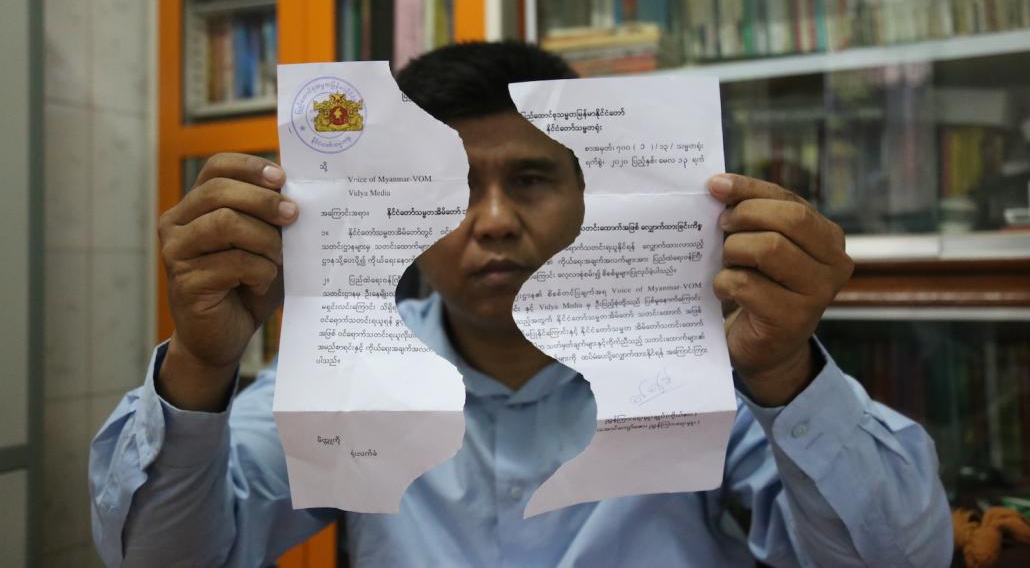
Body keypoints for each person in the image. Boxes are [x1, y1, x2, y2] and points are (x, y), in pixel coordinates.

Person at [90, 41, 952, 567]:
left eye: (533, 178)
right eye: (452, 188)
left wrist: (786, 373)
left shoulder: (699, 365)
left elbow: (901, 558)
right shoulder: (350, 375)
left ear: (591, 195)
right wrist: (202, 365)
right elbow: (165, 559)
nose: (494, 220)